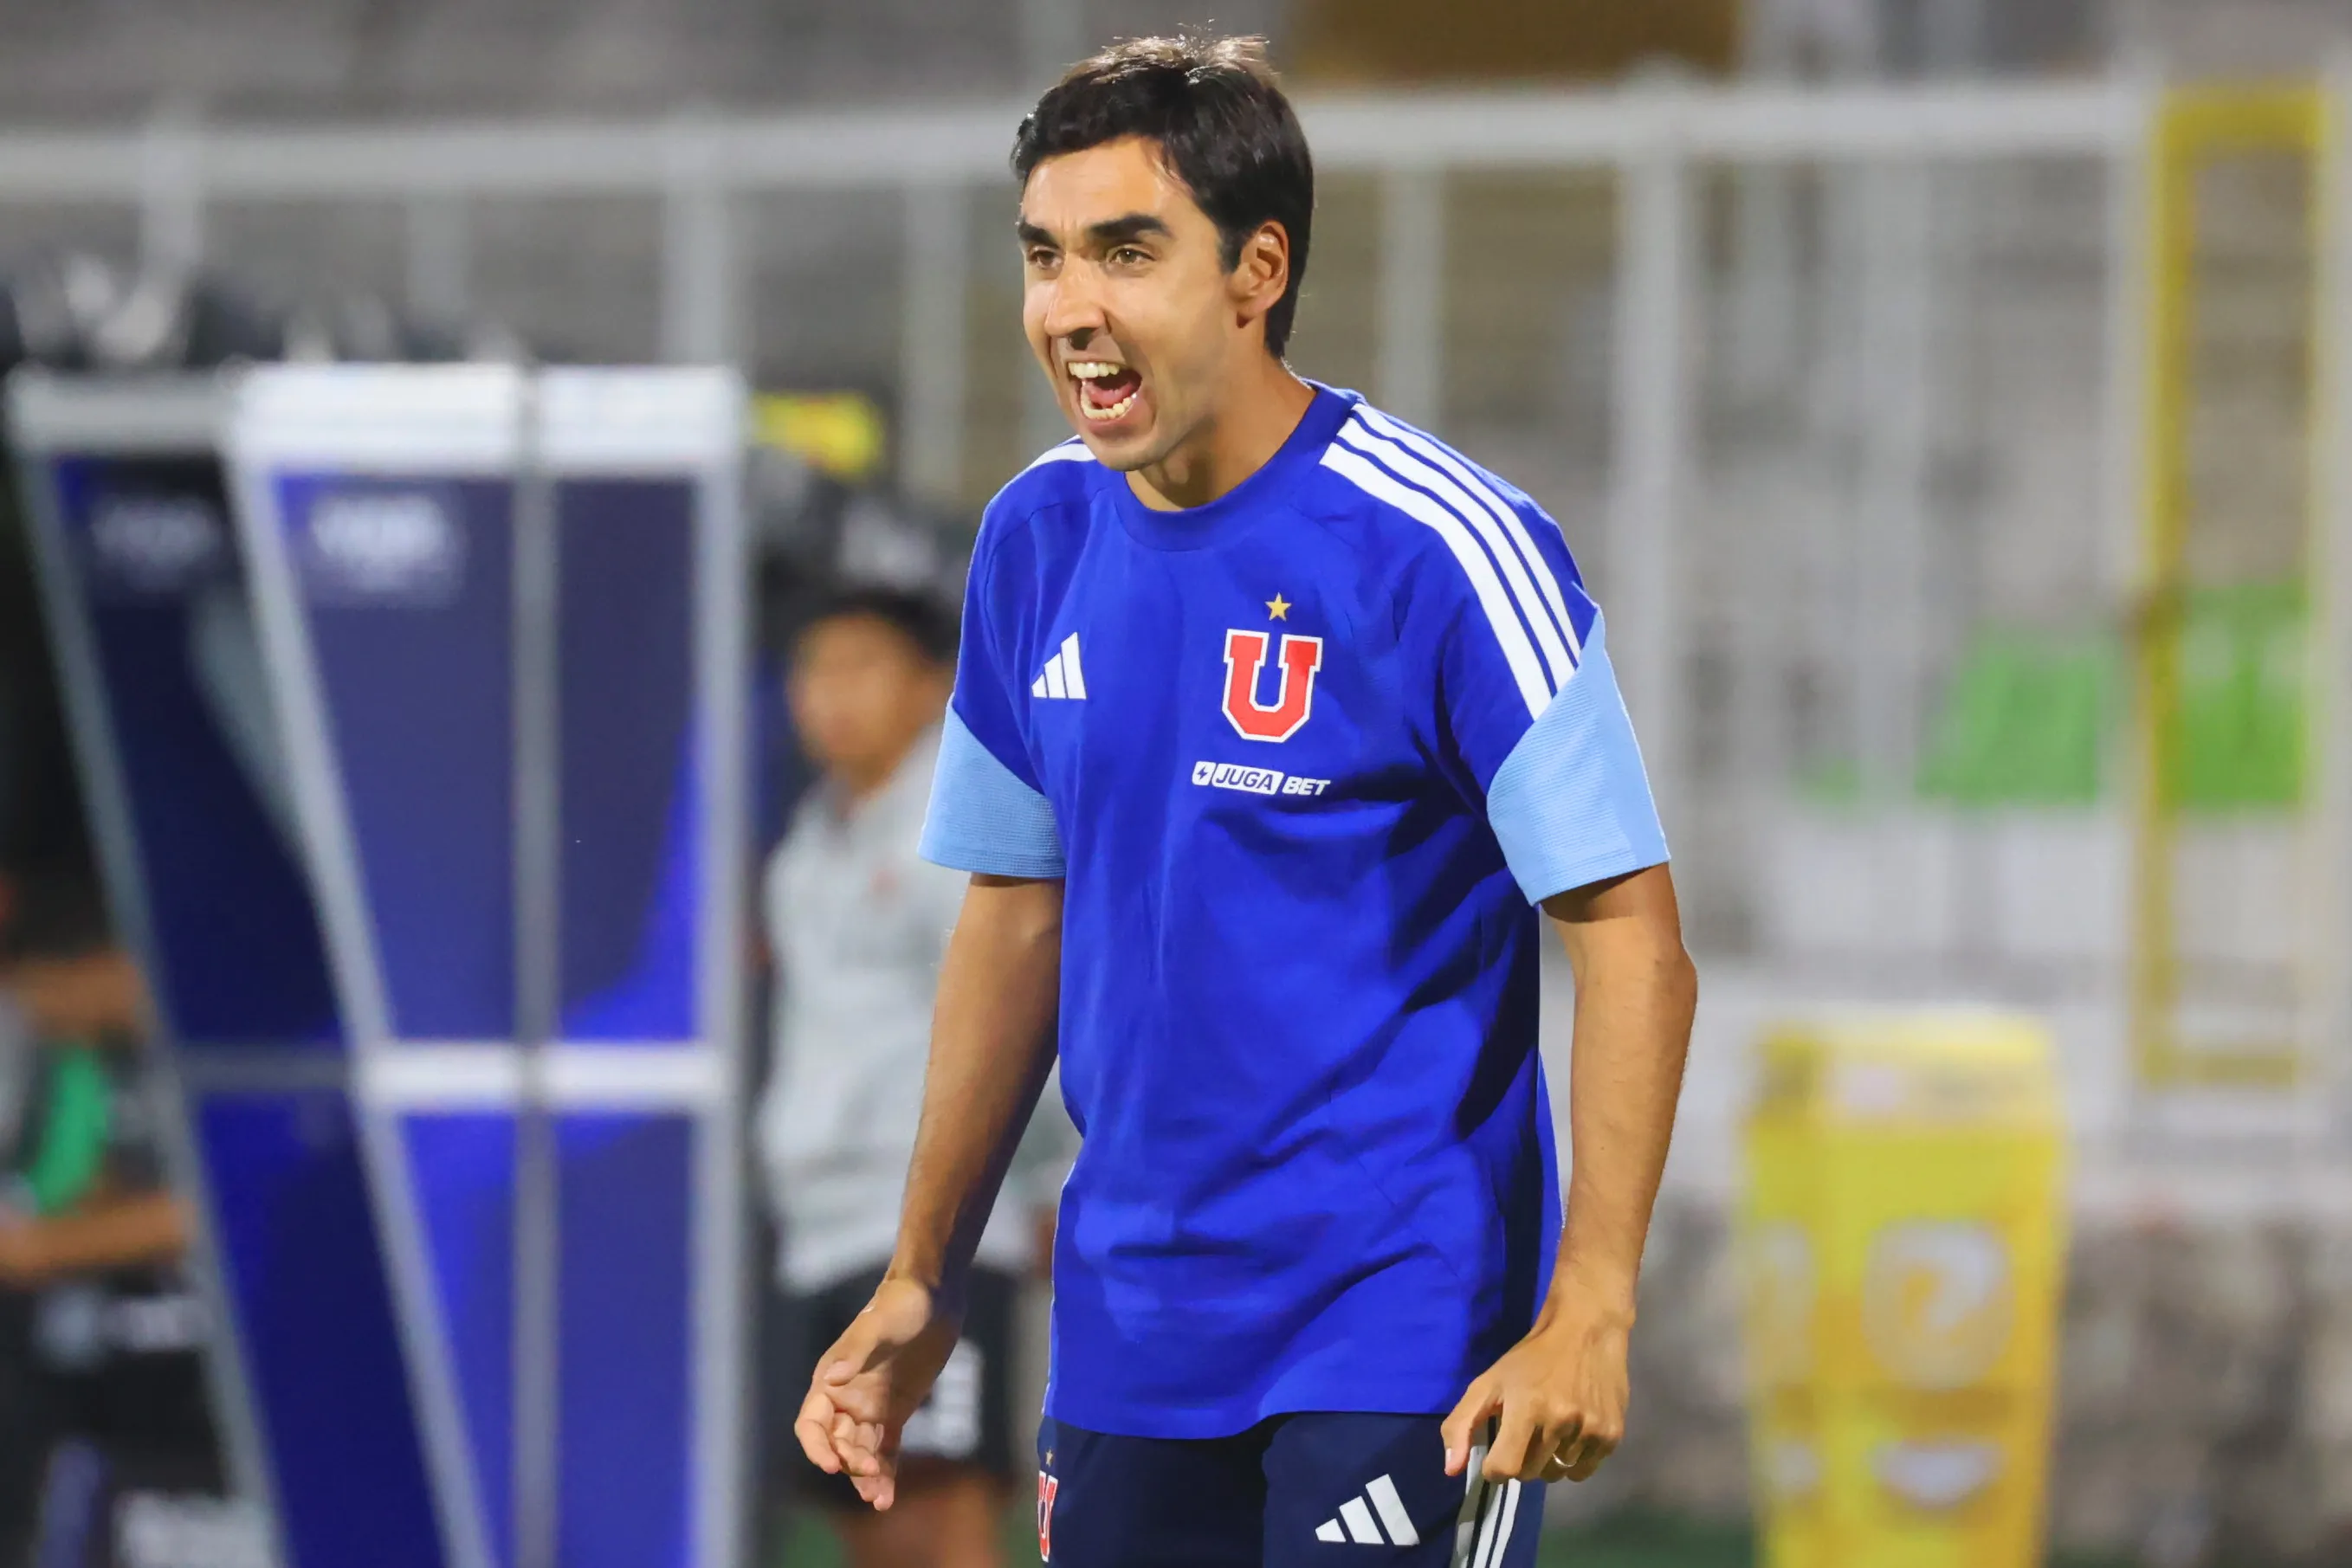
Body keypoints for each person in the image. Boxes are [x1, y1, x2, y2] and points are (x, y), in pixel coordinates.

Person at [797, 34, 1698, 1567]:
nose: (1070, 309)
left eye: (1125, 252)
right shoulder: (1033, 541)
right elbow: (1015, 912)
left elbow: (1629, 936)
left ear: (1254, 269)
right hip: (1131, 1329)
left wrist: (1591, 1303)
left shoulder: (1443, 548)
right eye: (1044, 256)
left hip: (1402, 1324)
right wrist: (921, 1270)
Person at [758, 586, 1066, 1568]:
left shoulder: (962, 827)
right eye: (815, 669)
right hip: (823, 1225)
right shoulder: (810, 841)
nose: (829, 695)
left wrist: (1055, 1177)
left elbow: (1027, 1004)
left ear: (932, 685)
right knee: (869, 1513)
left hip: (933, 1228)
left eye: (861, 667)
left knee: (941, 1515)